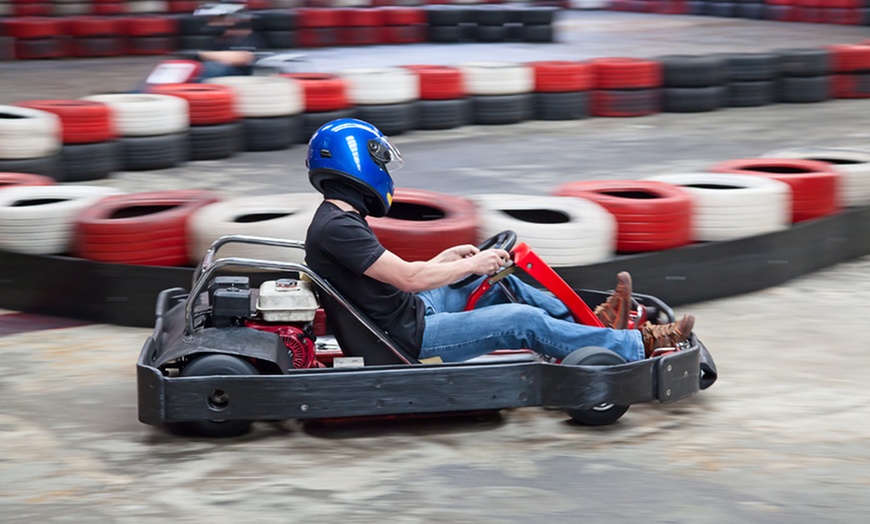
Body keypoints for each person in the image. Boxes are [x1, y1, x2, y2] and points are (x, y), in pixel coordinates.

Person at [304, 119, 695, 364]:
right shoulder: (339, 227)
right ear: (359, 162)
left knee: (500, 281)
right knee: (520, 320)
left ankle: (593, 325)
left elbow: (391, 278)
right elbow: (407, 278)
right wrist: (472, 264)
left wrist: (447, 259)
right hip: (408, 336)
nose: (385, 172)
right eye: (381, 163)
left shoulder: (339, 220)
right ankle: (636, 345)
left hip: (410, 311)